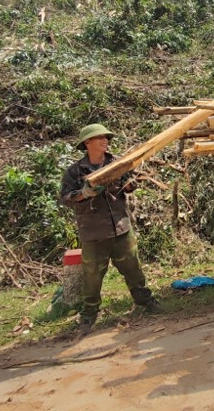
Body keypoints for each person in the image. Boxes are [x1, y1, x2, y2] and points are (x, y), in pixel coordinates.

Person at [60, 123, 160, 331]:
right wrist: (84, 194)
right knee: (93, 275)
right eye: (100, 138)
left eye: (107, 138)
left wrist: (130, 184)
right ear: (87, 143)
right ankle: (89, 315)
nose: (105, 141)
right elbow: (66, 198)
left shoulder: (117, 163)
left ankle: (144, 300)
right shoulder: (75, 172)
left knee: (132, 267)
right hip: (93, 232)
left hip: (120, 227)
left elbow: (130, 183)